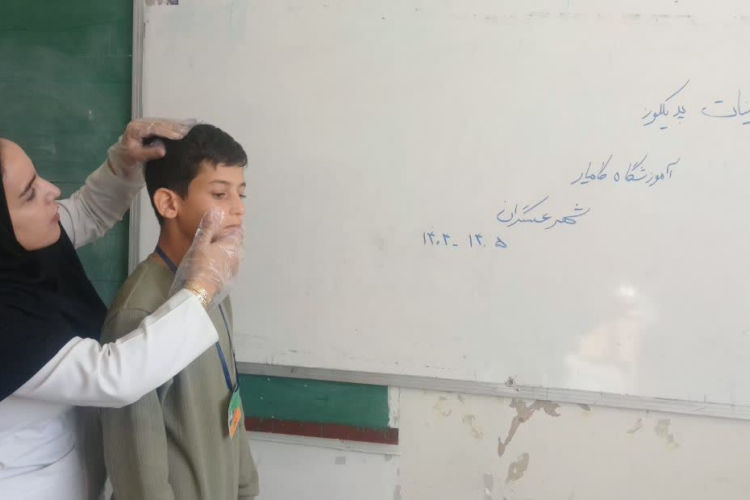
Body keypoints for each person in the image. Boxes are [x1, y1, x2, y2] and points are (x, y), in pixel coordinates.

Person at [0, 119, 245, 500]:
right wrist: (200, 289)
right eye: (30, 193)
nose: (53, 191)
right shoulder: (135, 310)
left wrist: (124, 162)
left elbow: (86, 212)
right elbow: (116, 376)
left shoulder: (22, 242)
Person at [101, 124, 259, 499]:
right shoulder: (137, 311)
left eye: (240, 193)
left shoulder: (213, 286)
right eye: (220, 194)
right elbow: (139, 476)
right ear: (169, 204)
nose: (238, 208)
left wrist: (245, 488)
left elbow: (231, 401)